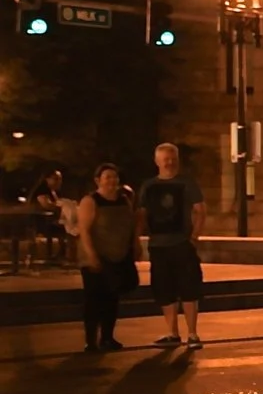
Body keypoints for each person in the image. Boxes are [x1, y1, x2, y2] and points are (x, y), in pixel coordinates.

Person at [138, 143, 207, 348]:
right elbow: (141, 214)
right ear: (157, 161)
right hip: (158, 245)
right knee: (163, 288)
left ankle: (192, 334)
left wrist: (194, 237)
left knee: (189, 287)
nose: (169, 162)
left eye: (173, 158)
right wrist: (137, 238)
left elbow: (200, 210)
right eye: (165, 159)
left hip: (181, 243)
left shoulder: (187, 183)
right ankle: (172, 333)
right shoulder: (148, 186)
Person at [72, 162, 139, 352]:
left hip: (119, 255)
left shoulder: (124, 199)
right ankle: (90, 340)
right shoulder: (90, 201)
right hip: (96, 257)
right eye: (107, 177)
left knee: (112, 298)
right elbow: (84, 230)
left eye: (114, 177)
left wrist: (134, 245)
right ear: (97, 180)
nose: (112, 181)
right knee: (94, 299)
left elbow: (131, 223)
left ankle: (108, 337)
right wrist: (92, 255)